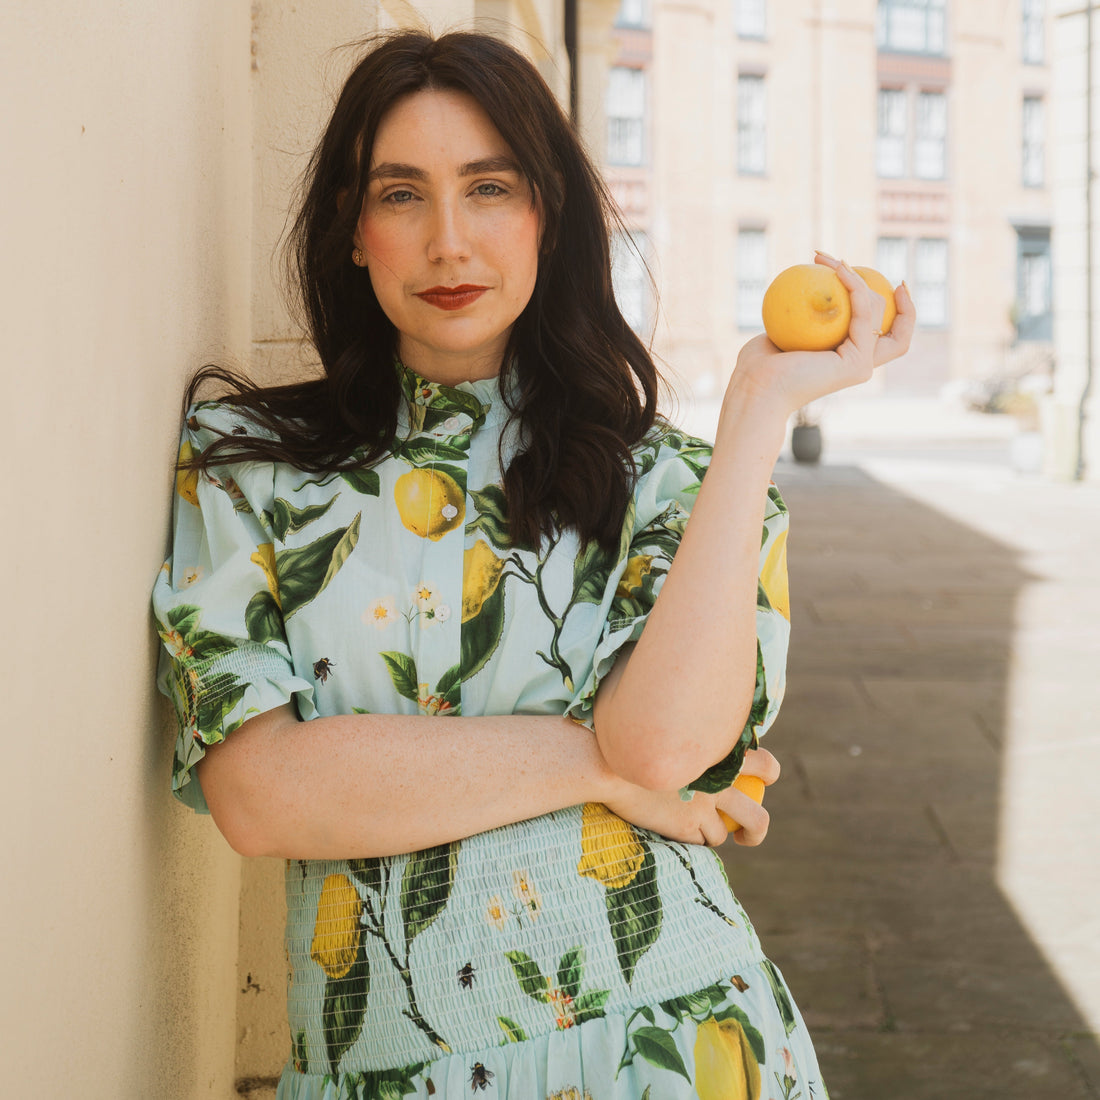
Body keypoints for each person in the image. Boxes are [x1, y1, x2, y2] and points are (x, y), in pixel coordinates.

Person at [152, 29, 914, 1100]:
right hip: (379, 1068)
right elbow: (261, 795)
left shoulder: (679, 486)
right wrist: (596, 768)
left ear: (545, 217)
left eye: (489, 188)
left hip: (672, 1049)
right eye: (402, 194)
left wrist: (755, 410)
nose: (449, 242)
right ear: (352, 229)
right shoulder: (245, 466)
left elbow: (662, 742)